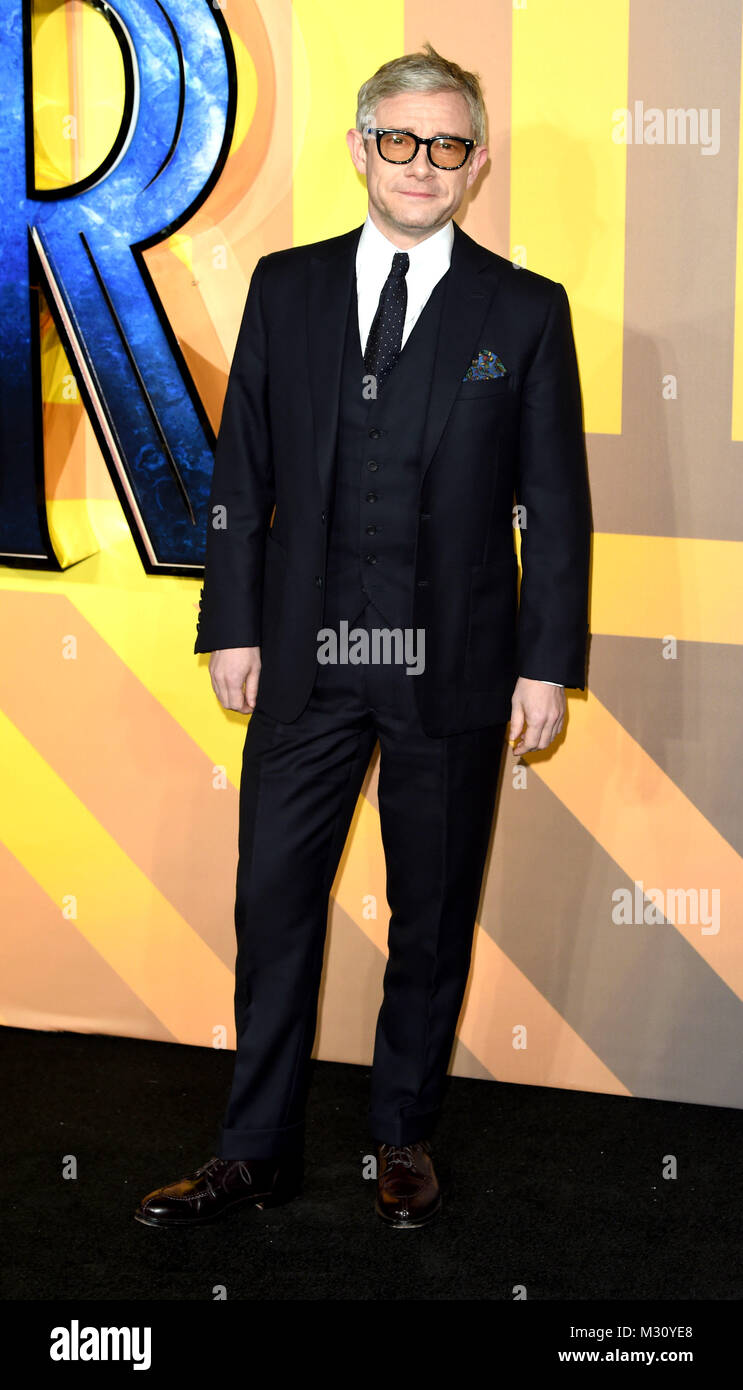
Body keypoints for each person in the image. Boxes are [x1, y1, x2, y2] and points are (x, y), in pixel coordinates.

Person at [135, 42, 591, 1231]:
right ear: (358, 149)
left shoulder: (525, 312)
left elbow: (554, 498)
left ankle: (400, 1135)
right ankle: (254, 1151)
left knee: (428, 915)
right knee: (272, 905)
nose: (421, 164)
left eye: (446, 145)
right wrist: (230, 623)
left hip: (455, 667)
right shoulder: (283, 290)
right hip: (305, 660)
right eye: (399, 139)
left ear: (475, 163)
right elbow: (239, 472)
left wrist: (545, 659)